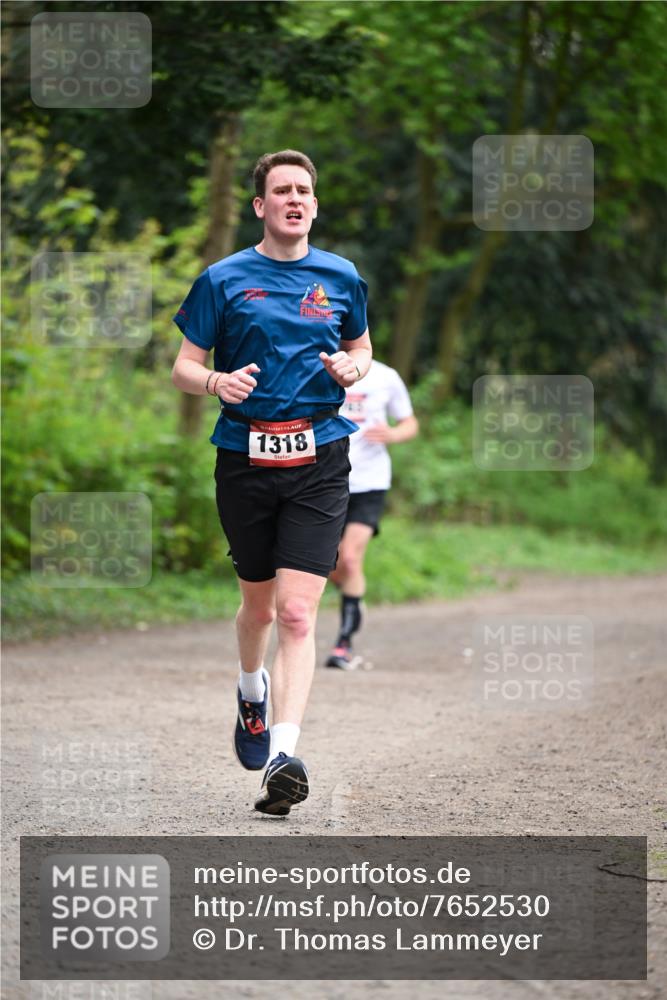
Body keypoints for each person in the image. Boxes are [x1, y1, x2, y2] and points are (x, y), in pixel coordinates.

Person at [171, 150, 372, 816]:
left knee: (295, 611)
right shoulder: (223, 279)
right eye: (280, 190)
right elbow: (182, 366)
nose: (293, 198)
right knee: (257, 607)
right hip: (245, 458)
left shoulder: (341, 277)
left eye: (303, 191)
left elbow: (362, 347)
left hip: (320, 455)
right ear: (260, 206)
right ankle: (250, 689)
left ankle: (283, 757)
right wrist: (214, 381)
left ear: (313, 206)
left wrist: (351, 369)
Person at [326, 360, 418, 669]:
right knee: (323, 562)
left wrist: (392, 434)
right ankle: (355, 597)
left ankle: (343, 645)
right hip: (324, 479)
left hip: (370, 481)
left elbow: (410, 423)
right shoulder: (317, 365)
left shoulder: (386, 376)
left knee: (350, 558)